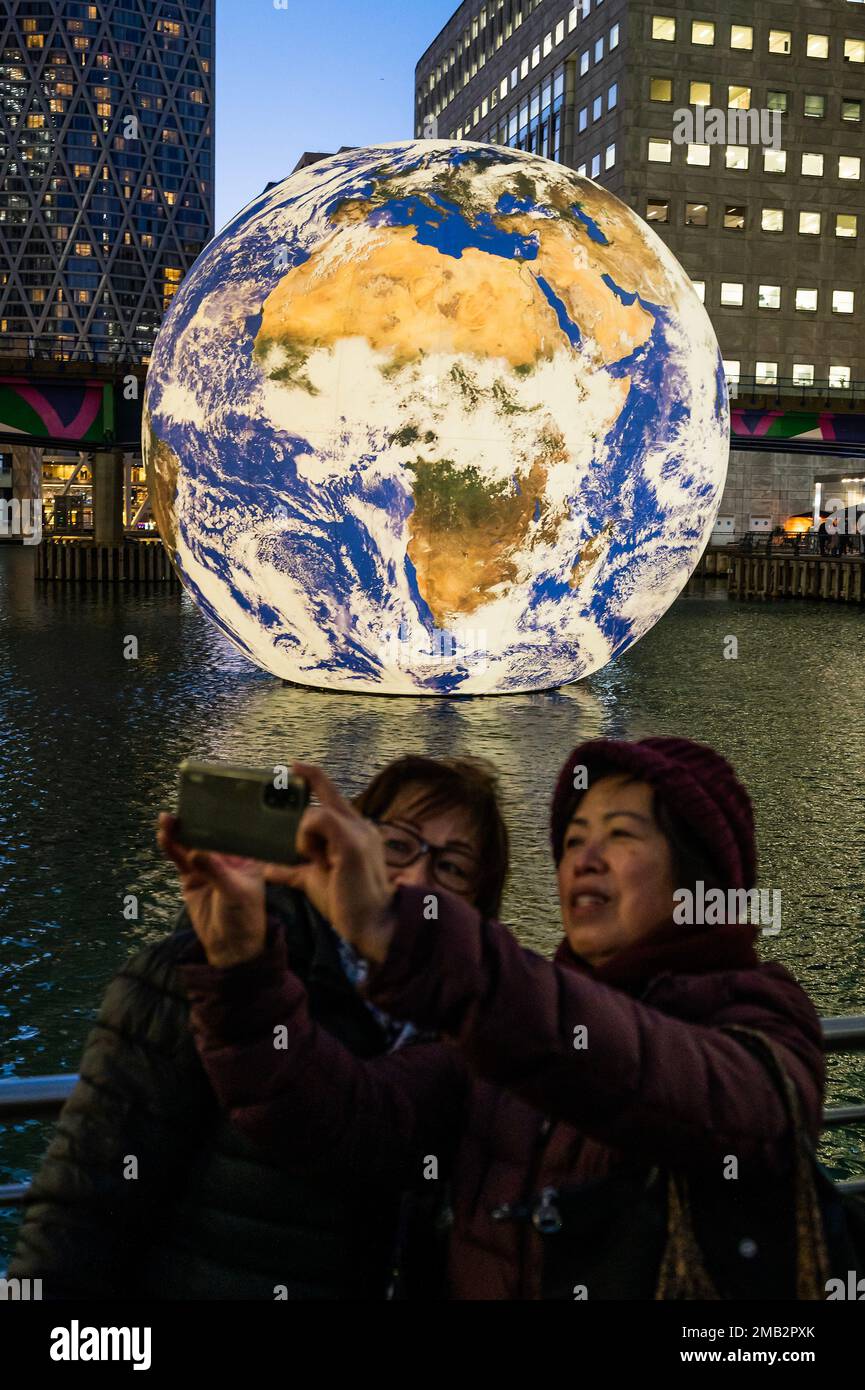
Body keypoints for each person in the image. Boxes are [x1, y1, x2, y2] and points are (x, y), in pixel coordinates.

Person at [180, 738, 827, 1300]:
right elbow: (340, 1120)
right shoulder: (506, 1028)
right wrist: (242, 970)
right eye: (573, 839)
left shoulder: (759, 1018)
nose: (584, 857)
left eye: (621, 834)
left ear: (700, 876)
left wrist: (396, 929)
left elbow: (709, 1099)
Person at [9, 755, 507, 1299]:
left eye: (453, 869)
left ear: (477, 908)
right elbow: (83, 1205)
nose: (414, 877)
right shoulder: (195, 977)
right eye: (395, 845)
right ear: (345, 845)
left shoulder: (468, 1040)